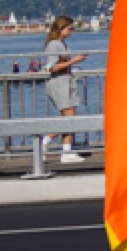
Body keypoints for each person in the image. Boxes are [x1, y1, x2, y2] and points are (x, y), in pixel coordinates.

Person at [40, 16, 91, 167]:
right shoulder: (54, 45)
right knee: (69, 119)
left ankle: (65, 150)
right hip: (59, 83)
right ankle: (48, 142)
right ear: (61, 28)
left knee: (69, 117)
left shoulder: (62, 44)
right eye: (70, 28)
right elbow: (51, 67)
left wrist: (72, 64)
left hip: (66, 81)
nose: (71, 31)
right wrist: (74, 61)